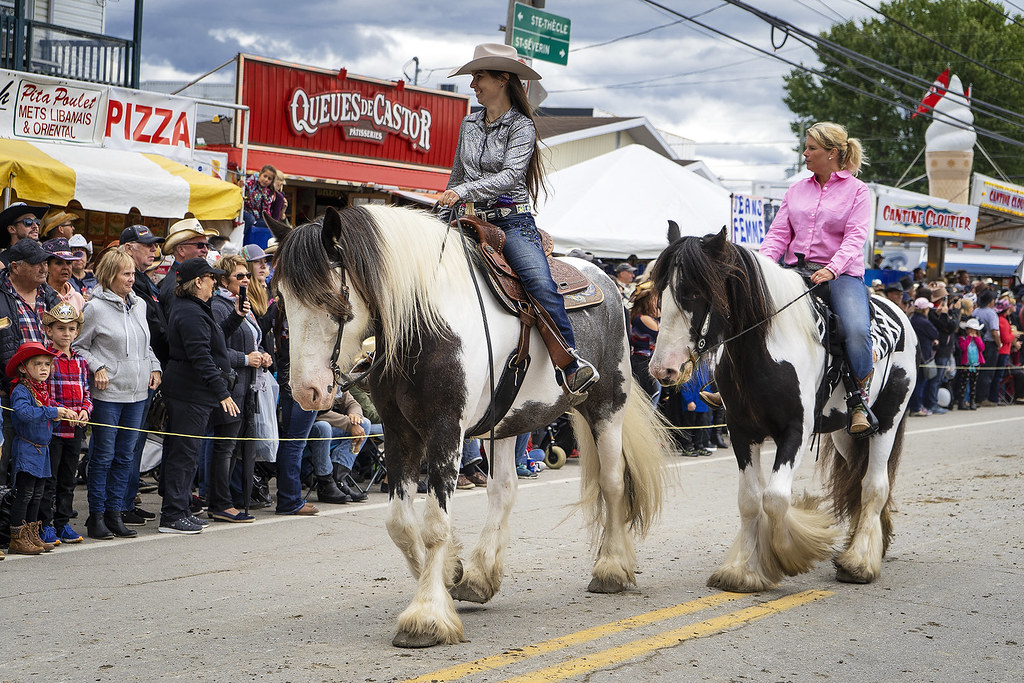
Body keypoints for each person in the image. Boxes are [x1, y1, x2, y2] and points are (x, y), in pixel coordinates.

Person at [441, 43, 597, 396]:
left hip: (513, 224)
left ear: (503, 79)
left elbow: (512, 176)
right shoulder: (468, 124)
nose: (472, 84)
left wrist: (464, 192)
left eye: (479, 76)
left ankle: (570, 364)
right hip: (471, 222)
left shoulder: (522, 126)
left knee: (539, 283)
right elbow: (456, 176)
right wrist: (439, 212)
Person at [758, 121, 874, 434]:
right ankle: (734, 383)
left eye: (811, 148)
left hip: (841, 275)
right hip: (797, 270)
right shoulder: (796, 190)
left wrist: (832, 268)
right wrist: (760, 266)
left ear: (832, 153)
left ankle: (859, 400)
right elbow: (779, 234)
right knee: (751, 312)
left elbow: (855, 238)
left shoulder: (859, 192)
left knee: (855, 329)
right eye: (806, 147)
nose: (805, 153)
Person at [73, 248, 161, 539]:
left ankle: (115, 512)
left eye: (133, 273)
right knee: (103, 456)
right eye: (126, 273)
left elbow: (145, 345)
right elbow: (78, 347)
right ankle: (96, 515)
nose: (131, 279)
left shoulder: (139, 305)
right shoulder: (95, 308)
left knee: (125, 456)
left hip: (137, 394)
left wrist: (155, 367)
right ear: (110, 276)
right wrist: (97, 366)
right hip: (108, 394)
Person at [160, 258, 250, 531]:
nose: (215, 283)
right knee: (183, 454)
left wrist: (236, 316)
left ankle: (181, 508)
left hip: (194, 392)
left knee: (188, 453)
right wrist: (222, 392)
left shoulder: (197, 308)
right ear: (198, 281)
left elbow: (215, 340)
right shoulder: (189, 311)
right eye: (211, 278)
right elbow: (201, 357)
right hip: (188, 392)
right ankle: (173, 515)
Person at [211, 254, 272, 517]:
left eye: (247, 275)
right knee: (225, 447)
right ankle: (220, 504)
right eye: (239, 276)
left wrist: (262, 355)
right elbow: (216, 349)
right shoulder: (219, 305)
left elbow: (252, 340)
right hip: (231, 386)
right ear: (224, 280)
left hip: (249, 386)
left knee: (238, 448)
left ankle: (235, 498)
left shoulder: (243, 303)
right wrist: (246, 359)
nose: (246, 279)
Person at [5, 341, 79, 555]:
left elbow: (47, 413)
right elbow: (25, 414)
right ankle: (18, 537)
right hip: (27, 448)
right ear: (23, 368)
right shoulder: (21, 390)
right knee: (25, 493)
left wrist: (63, 412)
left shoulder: (42, 390)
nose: (44, 368)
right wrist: (53, 412)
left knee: (38, 493)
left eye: (47, 363)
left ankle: (32, 534)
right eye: (38, 364)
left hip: (42, 449)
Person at [0, 239, 60, 486]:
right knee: (7, 461)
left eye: (45, 262)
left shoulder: (49, 295)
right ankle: (8, 521)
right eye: (37, 263)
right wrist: (10, 383)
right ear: (15, 266)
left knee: (40, 466)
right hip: (9, 391)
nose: (44, 268)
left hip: (46, 391)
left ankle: (32, 521)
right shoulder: (2, 295)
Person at [39, 303, 91, 545]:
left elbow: (87, 393)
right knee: (50, 480)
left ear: (77, 332)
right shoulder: (47, 360)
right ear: (49, 331)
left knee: (68, 480)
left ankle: (63, 524)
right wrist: (59, 411)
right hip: (54, 431)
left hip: (75, 431)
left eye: (71, 329)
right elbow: (43, 393)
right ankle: (45, 525)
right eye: (60, 328)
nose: (66, 334)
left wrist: (84, 411)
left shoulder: (81, 362)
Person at [158, 218, 218, 316]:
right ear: (181, 250)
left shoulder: (183, 278)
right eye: (200, 245)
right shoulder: (175, 284)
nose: (206, 250)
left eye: (207, 245)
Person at [629, 279, 661, 401]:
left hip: (645, 363)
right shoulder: (643, 319)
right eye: (655, 298)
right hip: (644, 363)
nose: (658, 301)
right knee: (651, 400)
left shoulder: (640, 317)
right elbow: (660, 334)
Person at [908, 298, 939, 417]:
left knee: (916, 382)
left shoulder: (912, 318)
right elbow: (935, 333)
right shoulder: (923, 322)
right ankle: (916, 407)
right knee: (920, 382)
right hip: (923, 356)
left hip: (914, 354)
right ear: (924, 309)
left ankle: (915, 406)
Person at [43, 237, 86, 312]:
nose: (65, 267)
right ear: (47, 267)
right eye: (59, 263)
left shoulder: (78, 298)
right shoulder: (40, 297)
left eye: (69, 263)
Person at [973, 290, 1000, 406]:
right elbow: (994, 332)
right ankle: (982, 398)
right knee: (987, 371)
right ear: (991, 301)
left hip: (978, 342)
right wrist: (999, 344)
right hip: (989, 344)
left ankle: (976, 396)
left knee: (979, 370)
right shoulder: (991, 313)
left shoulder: (976, 311)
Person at [243, 165, 277, 249]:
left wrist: (269, 220)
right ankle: (241, 238)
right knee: (249, 219)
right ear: (260, 174)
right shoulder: (249, 183)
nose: (266, 180)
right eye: (264, 176)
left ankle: (266, 247)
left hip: (257, 217)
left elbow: (265, 210)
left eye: (269, 179)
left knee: (270, 224)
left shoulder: (267, 192)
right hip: (245, 212)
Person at [990, 299, 1016, 404]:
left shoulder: (1001, 319)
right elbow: (1005, 338)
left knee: (998, 376)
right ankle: (994, 398)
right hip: (1003, 351)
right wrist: (1014, 335)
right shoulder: (1003, 321)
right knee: (998, 376)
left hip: (1003, 350)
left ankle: (995, 397)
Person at [956, 318, 985, 410]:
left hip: (976, 364)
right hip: (966, 364)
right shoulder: (962, 338)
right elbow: (963, 347)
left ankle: (972, 401)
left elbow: (982, 348)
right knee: (964, 383)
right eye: (970, 330)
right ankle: (962, 401)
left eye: (973, 330)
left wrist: (976, 338)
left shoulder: (978, 338)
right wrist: (969, 338)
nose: (971, 332)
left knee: (973, 384)